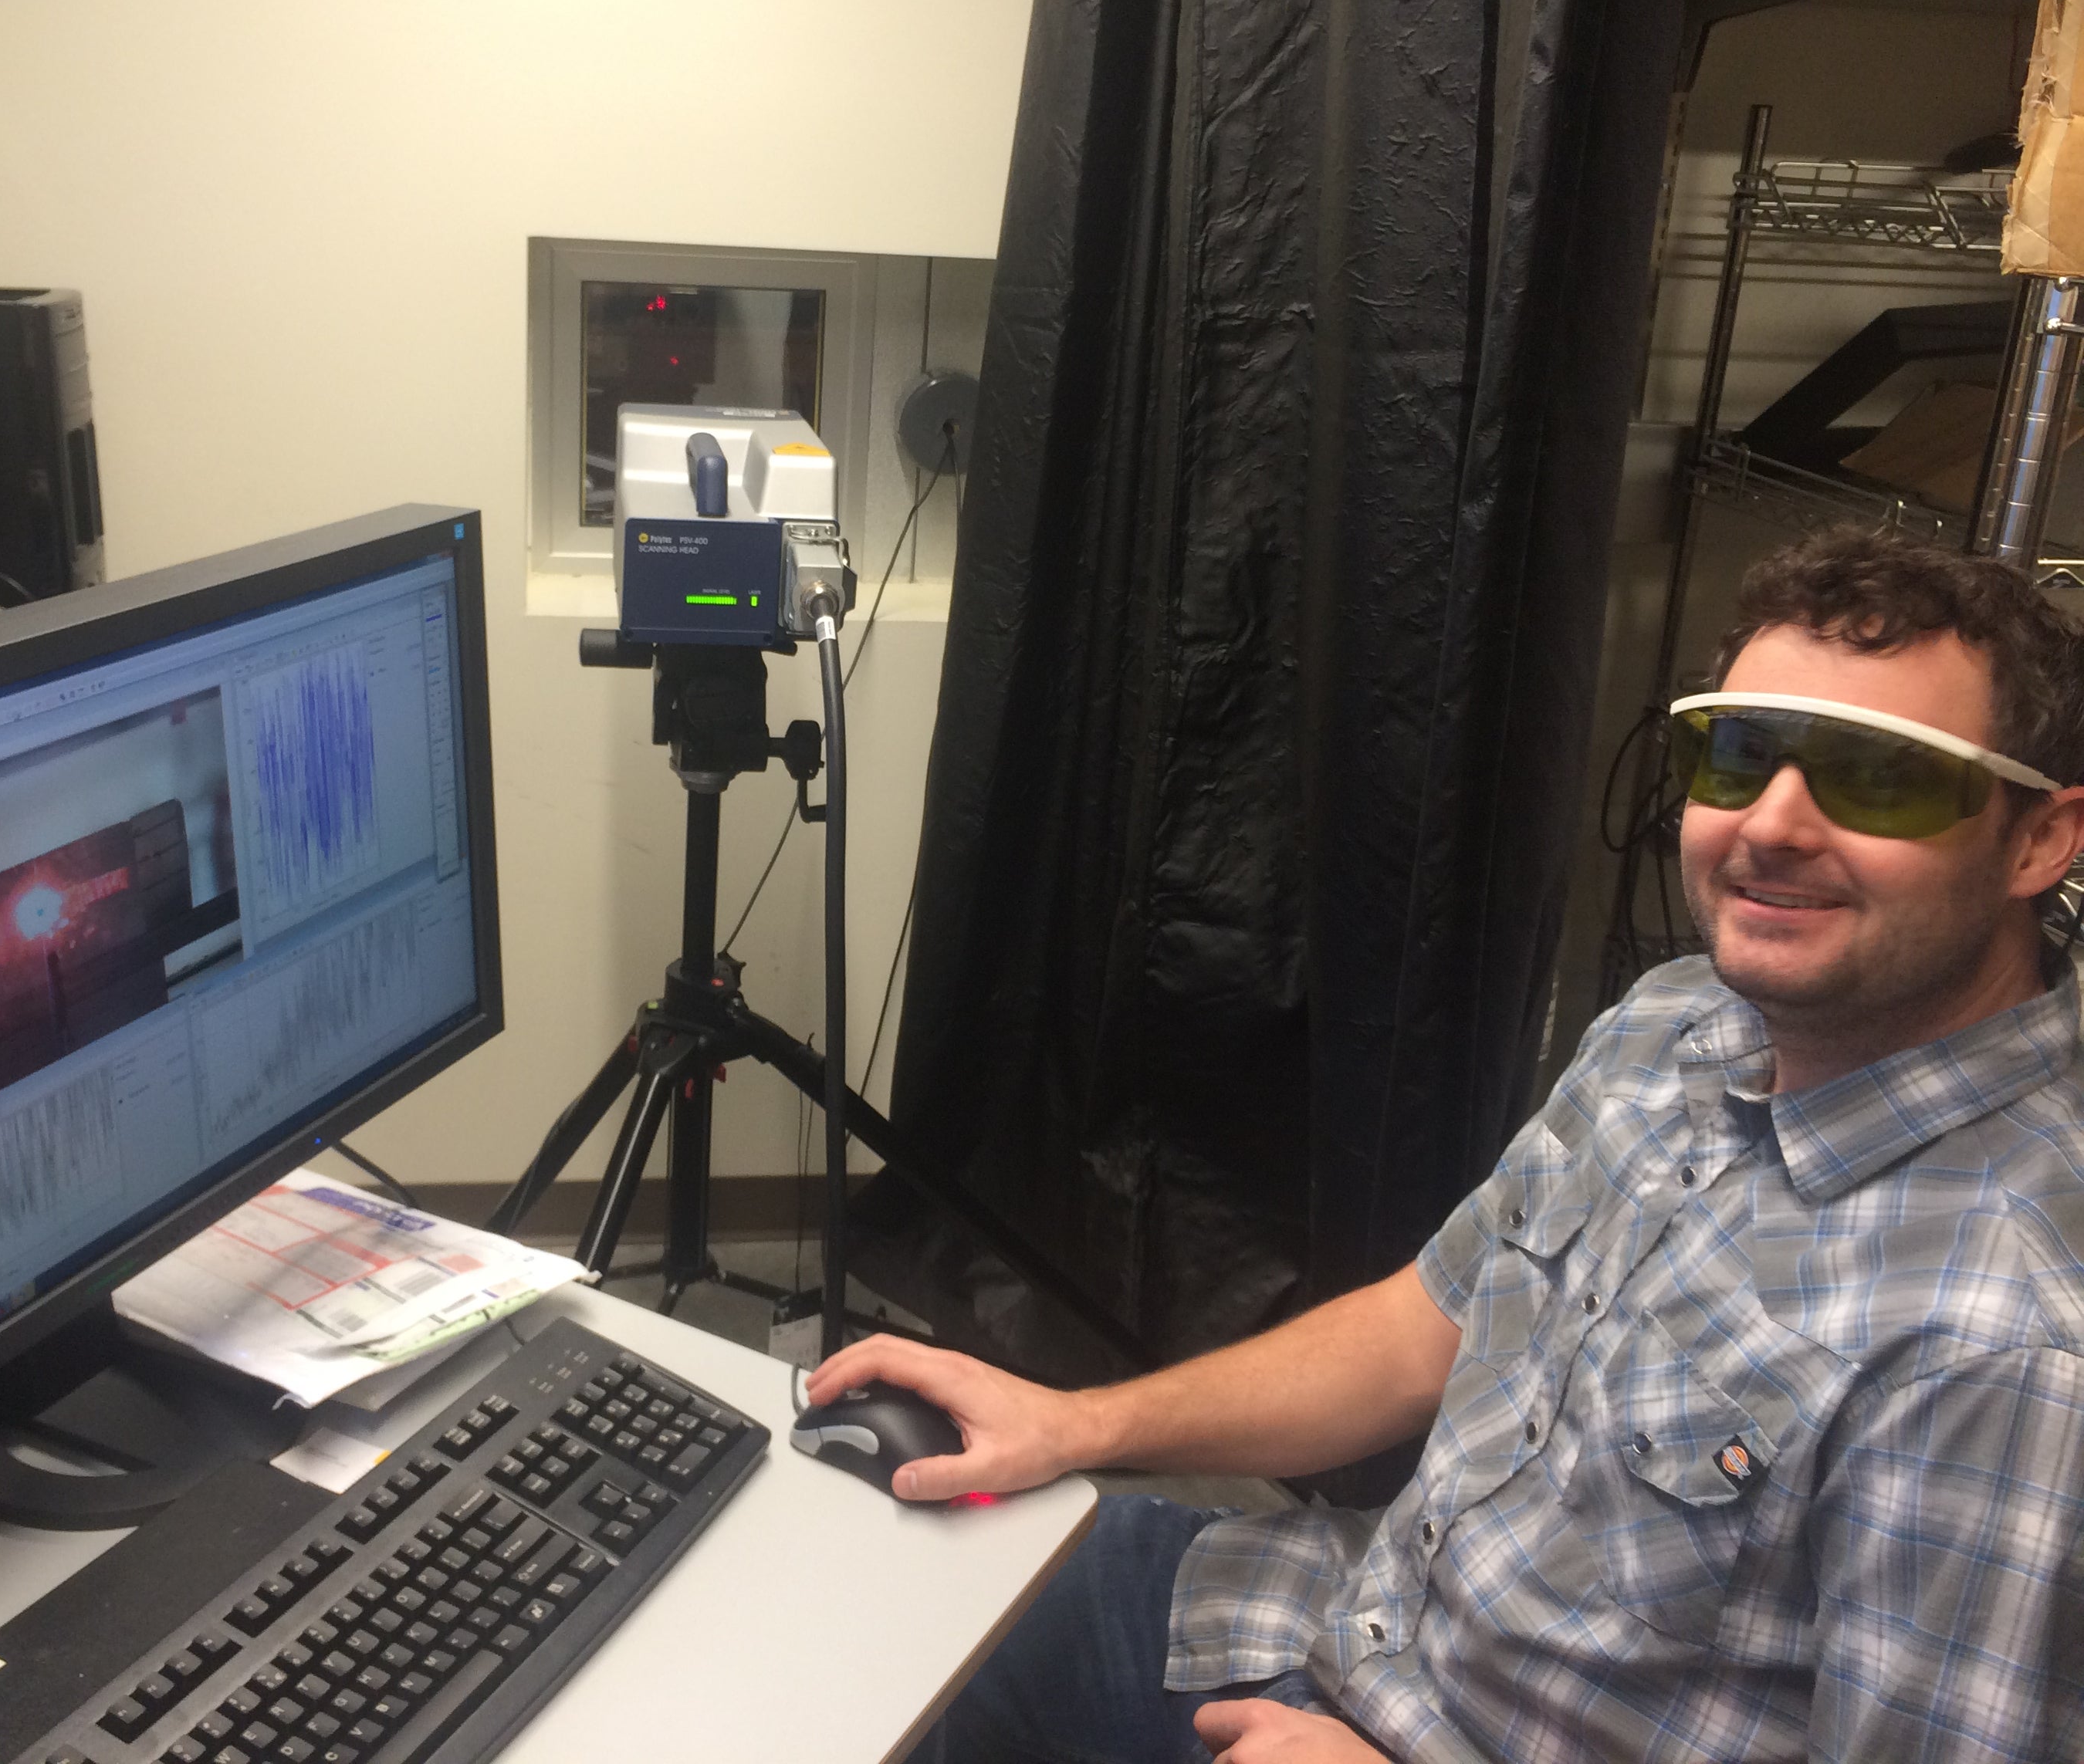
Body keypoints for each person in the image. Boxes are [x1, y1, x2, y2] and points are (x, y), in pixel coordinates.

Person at [810, 528, 2084, 1762]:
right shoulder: (1680, 1025)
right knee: (885, 1617)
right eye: (1739, 754)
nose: (1771, 826)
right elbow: (1430, 1323)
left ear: (2040, 838)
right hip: (1324, 1618)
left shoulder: (2004, 1335)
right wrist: (1077, 1424)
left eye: (1879, 775)